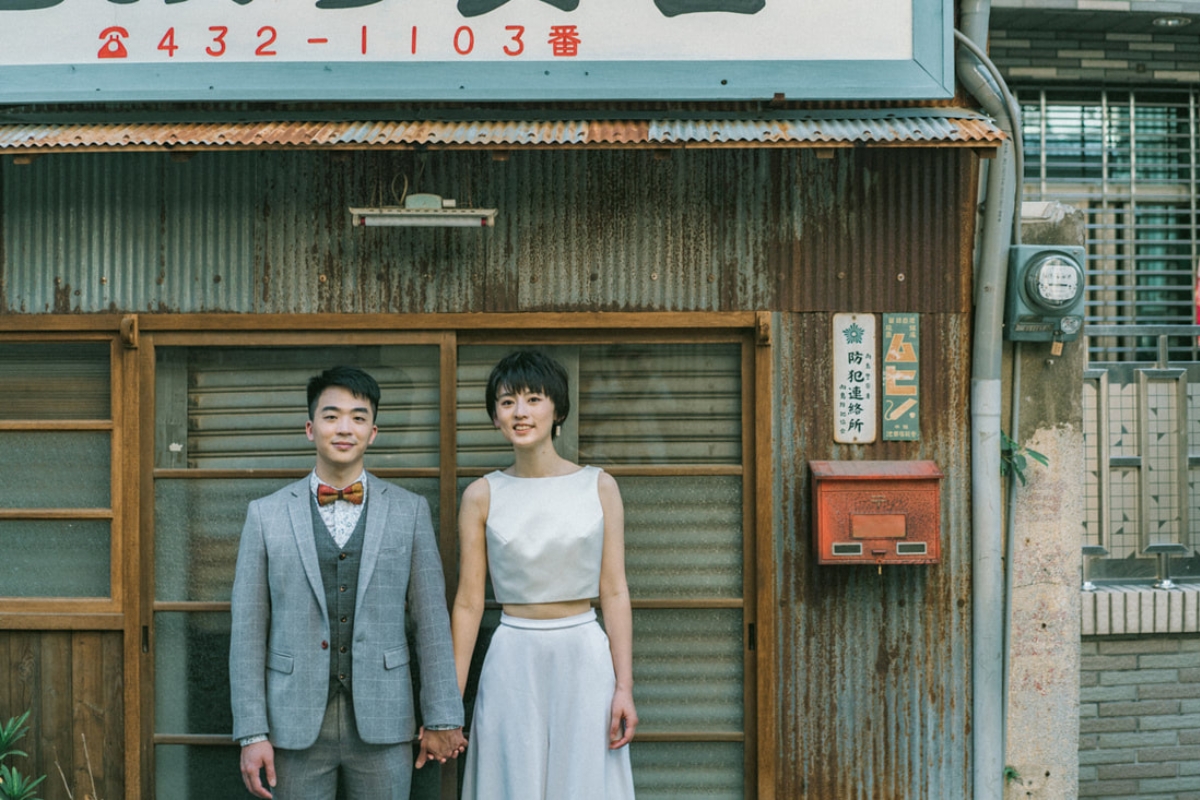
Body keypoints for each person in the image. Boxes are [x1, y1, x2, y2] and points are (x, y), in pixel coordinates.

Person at [229, 366, 466, 799]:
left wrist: (443, 716)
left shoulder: (409, 512)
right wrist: (251, 733)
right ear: (309, 427)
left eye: (358, 417)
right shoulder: (265, 515)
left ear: (373, 432)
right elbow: (247, 632)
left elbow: (431, 621)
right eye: (331, 415)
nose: (344, 428)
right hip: (292, 724)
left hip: (385, 719)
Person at [451, 350, 637, 799]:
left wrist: (624, 688)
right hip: (513, 651)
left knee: (584, 782)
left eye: (533, 399)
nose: (520, 412)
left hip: (584, 652)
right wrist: (449, 703)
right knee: (511, 780)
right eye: (507, 400)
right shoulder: (481, 494)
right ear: (495, 415)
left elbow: (613, 591)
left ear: (557, 409)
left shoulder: (599, 486)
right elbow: (469, 602)